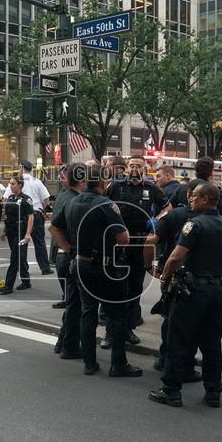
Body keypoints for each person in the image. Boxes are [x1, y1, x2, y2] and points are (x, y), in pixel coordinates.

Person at [149, 182, 222, 408]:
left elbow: (176, 257)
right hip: (215, 289)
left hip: (192, 290)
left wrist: (165, 279)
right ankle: (213, 391)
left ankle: (171, 391)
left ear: (206, 199)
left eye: (195, 196)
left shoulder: (194, 225)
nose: (190, 199)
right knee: (211, 342)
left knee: (178, 340)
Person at [65, 161, 141, 377]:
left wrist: (71, 249)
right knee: (116, 315)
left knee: (88, 313)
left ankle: (90, 363)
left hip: (80, 263)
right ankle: (118, 365)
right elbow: (123, 238)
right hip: (105, 267)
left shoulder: (72, 201)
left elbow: (55, 227)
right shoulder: (106, 204)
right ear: (103, 183)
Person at [105, 154, 170, 346]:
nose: (134, 168)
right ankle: (111, 333)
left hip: (140, 245)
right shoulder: (116, 185)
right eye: (131, 165)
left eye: (138, 166)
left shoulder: (151, 188)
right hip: (118, 243)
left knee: (134, 288)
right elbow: (103, 204)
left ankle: (128, 330)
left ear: (144, 168)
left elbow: (168, 207)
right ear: (127, 167)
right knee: (116, 289)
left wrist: (157, 219)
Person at [145, 179, 207, 377]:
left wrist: (149, 266)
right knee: (194, 325)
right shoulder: (215, 220)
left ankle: (166, 360)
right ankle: (185, 365)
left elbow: (150, 240)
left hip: (174, 276)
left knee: (170, 319)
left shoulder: (172, 216)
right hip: (201, 279)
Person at [48, 163, 87, 359]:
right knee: (75, 305)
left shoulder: (64, 195)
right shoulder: (76, 200)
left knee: (71, 302)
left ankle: (62, 341)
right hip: (69, 256)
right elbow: (56, 228)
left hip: (63, 255)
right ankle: (69, 346)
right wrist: (69, 249)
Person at [51, 165, 82, 309]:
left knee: (70, 278)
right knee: (61, 274)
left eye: (63, 177)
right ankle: (66, 298)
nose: (61, 179)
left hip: (69, 245)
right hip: (59, 243)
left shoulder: (77, 197)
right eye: (59, 177)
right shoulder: (62, 193)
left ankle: (70, 301)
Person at [0, 175, 34, 295]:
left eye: (13, 184)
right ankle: (26, 281)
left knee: (14, 258)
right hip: (11, 231)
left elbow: (30, 217)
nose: (11, 186)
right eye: (10, 184)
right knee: (20, 257)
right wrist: (4, 231)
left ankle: (8, 285)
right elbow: (7, 216)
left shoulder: (26, 199)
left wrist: (28, 234)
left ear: (20, 185)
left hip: (21, 232)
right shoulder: (11, 198)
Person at [172, 157, 222, 221]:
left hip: (183, 228)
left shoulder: (181, 189)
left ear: (196, 172)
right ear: (211, 173)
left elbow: (169, 208)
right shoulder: (214, 191)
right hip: (206, 229)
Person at [20, 160, 52, 274]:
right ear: (31, 169)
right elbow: (46, 200)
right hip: (36, 213)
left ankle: (23, 269)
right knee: (39, 242)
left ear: (21, 168)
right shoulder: (37, 182)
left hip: (22, 215)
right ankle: (45, 268)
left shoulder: (17, 182)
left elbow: (6, 198)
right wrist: (44, 209)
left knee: (22, 242)